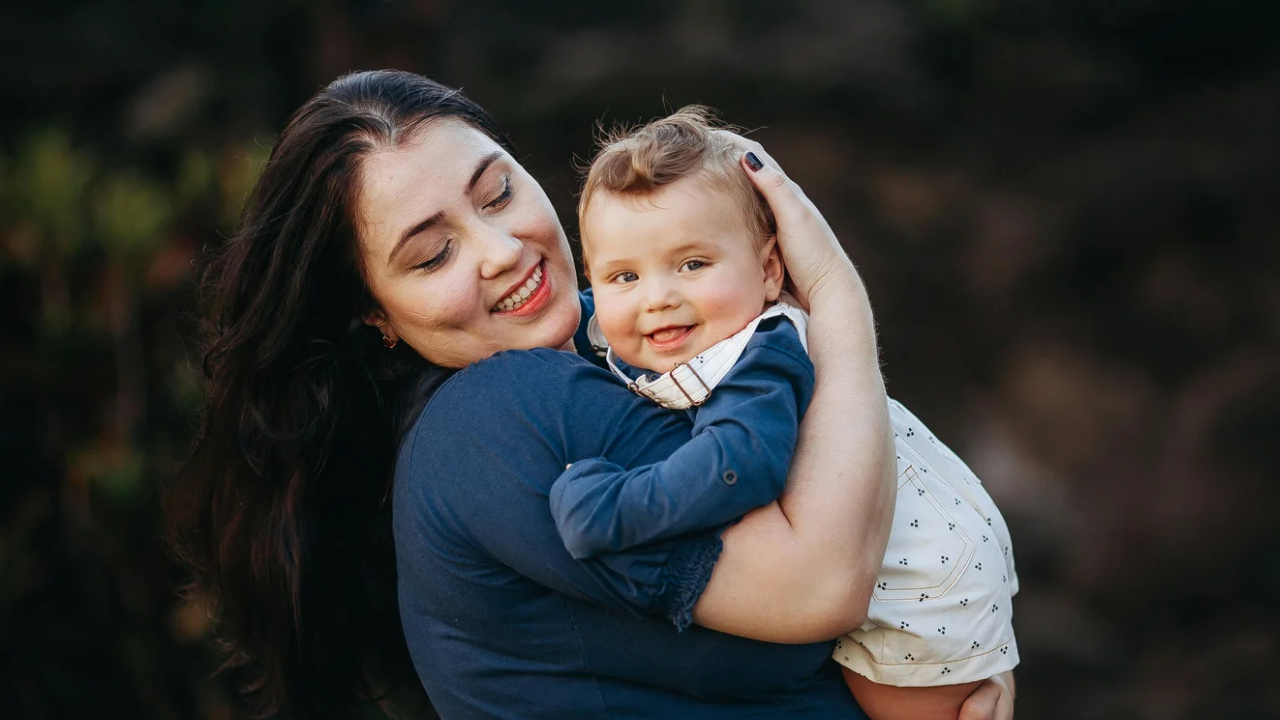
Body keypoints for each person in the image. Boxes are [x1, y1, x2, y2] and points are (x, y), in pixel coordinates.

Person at [165, 70, 1015, 720]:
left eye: (497, 191)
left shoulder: (614, 342)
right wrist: (832, 294)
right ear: (374, 317)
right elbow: (822, 586)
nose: (498, 249)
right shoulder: (498, 417)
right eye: (431, 256)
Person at [548, 107, 1019, 720]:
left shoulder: (759, 361)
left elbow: (738, 466)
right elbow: (597, 318)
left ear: (770, 269)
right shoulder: (681, 324)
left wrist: (613, 507)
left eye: (692, 264)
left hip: (919, 593)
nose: (658, 297)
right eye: (624, 276)